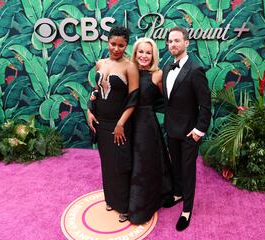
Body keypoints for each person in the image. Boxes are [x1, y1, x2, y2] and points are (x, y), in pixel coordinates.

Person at [87, 26, 139, 223]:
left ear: (126, 46)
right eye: (113, 44)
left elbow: (134, 98)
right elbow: (96, 91)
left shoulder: (129, 66)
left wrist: (121, 124)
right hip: (101, 122)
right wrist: (89, 110)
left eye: (121, 45)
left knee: (121, 164)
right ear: (107, 42)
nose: (116, 48)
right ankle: (111, 199)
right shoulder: (99, 64)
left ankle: (124, 206)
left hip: (120, 124)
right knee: (107, 163)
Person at [161, 26, 211, 231]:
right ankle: (178, 193)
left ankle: (187, 210)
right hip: (171, 130)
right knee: (176, 167)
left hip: (190, 133)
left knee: (188, 170)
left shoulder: (196, 69)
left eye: (177, 41)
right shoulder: (166, 68)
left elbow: (205, 104)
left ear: (186, 43)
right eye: (170, 41)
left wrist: (199, 131)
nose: (172, 44)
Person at [128, 37, 172, 224]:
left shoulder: (158, 75)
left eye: (148, 52)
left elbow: (168, 100)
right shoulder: (128, 71)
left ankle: (141, 208)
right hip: (127, 123)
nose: (144, 56)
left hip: (146, 125)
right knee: (129, 161)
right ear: (135, 53)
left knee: (144, 164)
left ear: (153, 55)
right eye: (141, 51)